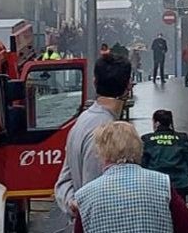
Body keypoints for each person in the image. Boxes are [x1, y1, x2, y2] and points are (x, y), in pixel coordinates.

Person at [54, 54, 131, 214]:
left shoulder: (82, 120)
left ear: (95, 82)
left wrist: (72, 203)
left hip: (83, 232)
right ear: (128, 86)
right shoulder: (106, 131)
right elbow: (95, 194)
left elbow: (63, 183)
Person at [142, 109, 188, 203]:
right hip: (180, 185)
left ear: (156, 123)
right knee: (179, 214)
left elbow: (142, 164)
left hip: (155, 185)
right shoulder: (181, 138)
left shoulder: (147, 139)